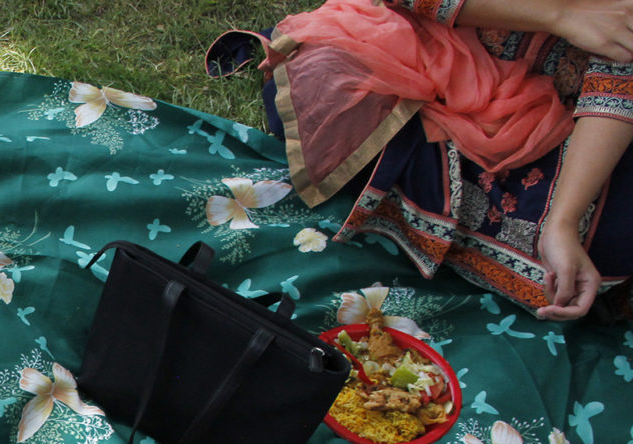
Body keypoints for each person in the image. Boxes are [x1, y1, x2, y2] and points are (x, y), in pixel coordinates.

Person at [214, 0, 633, 320]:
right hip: (425, 59)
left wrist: (562, 224)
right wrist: (563, 14)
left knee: (611, 242)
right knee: (325, 82)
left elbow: (618, 81)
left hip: (560, 123)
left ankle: (428, 209)